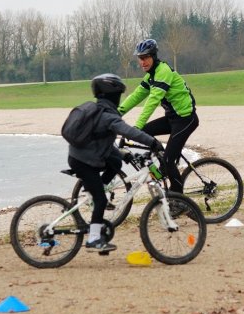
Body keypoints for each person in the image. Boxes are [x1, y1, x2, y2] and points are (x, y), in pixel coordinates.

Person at [68, 73, 162, 252]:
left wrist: (123, 154)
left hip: (83, 156)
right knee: (101, 200)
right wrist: (152, 142)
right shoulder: (108, 116)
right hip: (83, 161)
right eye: (118, 95)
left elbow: (101, 141)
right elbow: (129, 132)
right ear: (113, 96)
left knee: (117, 162)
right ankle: (94, 239)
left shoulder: (100, 112)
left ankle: (97, 189)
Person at [118, 39, 198, 194]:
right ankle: (161, 166)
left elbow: (152, 102)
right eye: (140, 58)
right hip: (172, 118)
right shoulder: (151, 76)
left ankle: (178, 199)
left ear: (153, 56)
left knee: (168, 160)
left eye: (146, 57)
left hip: (185, 119)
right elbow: (136, 96)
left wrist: (136, 127)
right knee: (145, 134)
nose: (143, 62)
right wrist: (114, 114)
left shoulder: (163, 72)